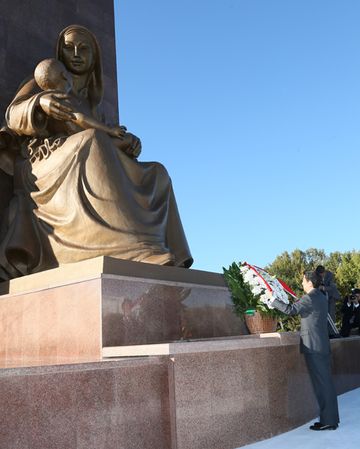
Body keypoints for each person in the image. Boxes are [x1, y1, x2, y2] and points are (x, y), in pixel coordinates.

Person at [0, 25, 193, 280]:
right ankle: (131, 248)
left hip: (79, 155)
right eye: (69, 48)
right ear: (60, 53)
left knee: (156, 173)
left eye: (84, 48)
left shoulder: (91, 103)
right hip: (39, 165)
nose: (76, 53)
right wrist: (39, 102)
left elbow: (98, 135)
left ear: (94, 57)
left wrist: (125, 143)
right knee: (90, 141)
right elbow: (12, 116)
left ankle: (171, 253)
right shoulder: (42, 81)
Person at [271, 270, 339, 431]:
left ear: (310, 282)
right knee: (325, 384)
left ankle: (329, 421)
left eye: (303, 280)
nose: (301, 283)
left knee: (323, 385)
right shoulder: (321, 296)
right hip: (320, 345)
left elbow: (290, 310)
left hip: (314, 347)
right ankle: (330, 419)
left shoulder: (310, 297)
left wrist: (273, 301)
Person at [34, 58, 129, 142]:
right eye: (67, 72)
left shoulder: (53, 98)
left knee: (125, 142)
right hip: (83, 140)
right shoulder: (62, 99)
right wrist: (109, 130)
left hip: (81, 139)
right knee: (124, 142)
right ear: (65, 76)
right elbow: (80, 118)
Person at [315, 265, 341, 337]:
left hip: (331, 296)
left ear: (324, 272)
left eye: (321, 274)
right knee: (324, 315)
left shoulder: (330, 275)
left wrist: (323, 287)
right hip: (323, 298)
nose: (321, 276)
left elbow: (332, 287)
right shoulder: (317, 275)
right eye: (319, 275)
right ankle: (326, 332)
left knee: (331, 314)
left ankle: (332, 333)